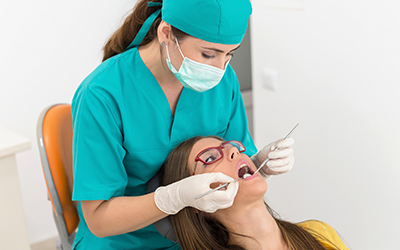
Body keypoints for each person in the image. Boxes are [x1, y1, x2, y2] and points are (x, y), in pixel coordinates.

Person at [71, 0, 295, 249]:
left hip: (201, 236)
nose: (220, 69)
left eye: (229, 54)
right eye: (208, 54)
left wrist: (258, 165)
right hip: (122, 241)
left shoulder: (223, 82)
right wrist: (172, 199)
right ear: (166, 33)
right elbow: (99, 219)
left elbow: (233, 160)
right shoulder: (102, 95)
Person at [160, 135, 349, 250]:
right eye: (210, 158)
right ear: (197, 203)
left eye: (230, 147)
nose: (234, 151)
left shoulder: (318, 232)